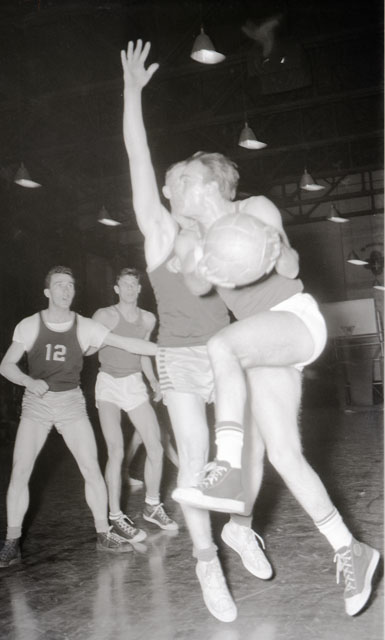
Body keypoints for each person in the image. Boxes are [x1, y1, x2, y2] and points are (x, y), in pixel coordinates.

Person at [158, 148, 380, 617]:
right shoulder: (190, 238)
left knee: (222, 345)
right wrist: (200, 260)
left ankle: (225, 467)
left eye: (184, 180)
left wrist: (272, 247)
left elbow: (293, 269)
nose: (172, 188)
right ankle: (349, 548)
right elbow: (198, 286)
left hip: (293, 318)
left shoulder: (254, 207)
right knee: (281, 453)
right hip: (261, 341)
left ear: (212, 184)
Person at [122, 40, 272, 623]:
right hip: (181, 357)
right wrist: (132, 93)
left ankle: (240, 527)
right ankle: (207, 562)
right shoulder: (161, 233)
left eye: (193, 175)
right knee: (195, 456)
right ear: (168, 191)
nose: (188, 181)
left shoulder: (221, 227)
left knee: (254, 446)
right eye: (179, 176)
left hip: (226, 353)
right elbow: (137, 155)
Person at [0, 265, 159, 568]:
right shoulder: (29, 325)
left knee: (91, 468)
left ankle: (103, 533)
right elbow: (6, 365)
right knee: (20, 470)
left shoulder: (84, 326)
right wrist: (28, 381)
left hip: (71, 403)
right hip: (37, 404)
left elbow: (127, 343)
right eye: (59, 284)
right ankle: (11, 543)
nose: (66, 289)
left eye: (70, 285)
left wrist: (168, 350)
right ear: (47, 291)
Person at [92, 267, 178, 544]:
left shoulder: (148, 319)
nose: (130, 288)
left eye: (134, 284)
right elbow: (90, 346)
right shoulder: (104, 315)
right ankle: (116, 517)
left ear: (139, 289)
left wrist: (153, 381)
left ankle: (152, 505)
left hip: (134, 384)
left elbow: (143, 353)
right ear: (116, 289)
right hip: (108, 384)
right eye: (125, 284)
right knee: (116, 450)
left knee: (156, 446)